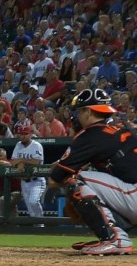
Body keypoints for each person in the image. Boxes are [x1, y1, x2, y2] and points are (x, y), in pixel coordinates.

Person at [48, 89, 137, 255]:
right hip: (130, 193)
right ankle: (113, 235)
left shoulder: (90, 135)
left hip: (133, 196)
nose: (77, 116)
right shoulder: (119, 129)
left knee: (74, 181)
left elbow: (54, 179)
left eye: (80, 111)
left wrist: (77, 200)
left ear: (87, 111)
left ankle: (115, 239)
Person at [11, 125, 46, 226]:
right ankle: (36, 228)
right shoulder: (18, 145)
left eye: (25, 134)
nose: (23, 136)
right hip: (24, 181)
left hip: (36, 180)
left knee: (33, 201)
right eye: (21, 134)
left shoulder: (36, 145)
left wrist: (22, 161)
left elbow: (36, 161)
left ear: (30, 134)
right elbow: (13, 162)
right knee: (30, 209)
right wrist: (19, 162)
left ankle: (41, 225)